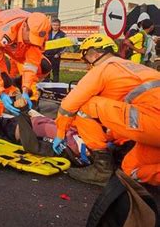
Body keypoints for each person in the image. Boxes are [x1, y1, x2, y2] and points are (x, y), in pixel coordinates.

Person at [53, 33, 160, 186]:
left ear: (92, 54)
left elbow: (69, 104)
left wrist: (60, 132)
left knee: (85, 105)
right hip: (152, 125)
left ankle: (102, 169)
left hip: (154, 122)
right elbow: (121, 118)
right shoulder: (133, 68)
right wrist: (114, 140)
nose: (87, 65)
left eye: (86, 60)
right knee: (131, 169)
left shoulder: (104, 68)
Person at [0, 9, 51, 121]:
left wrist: (25, 90)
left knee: (44, 66)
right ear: (24, 27)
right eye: (30, 38)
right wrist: (1, 93)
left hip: (16, 42)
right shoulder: (3, 34)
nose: (31, 42)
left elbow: (31, 65)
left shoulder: (39, 33)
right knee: (3, 81)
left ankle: (18, 82)